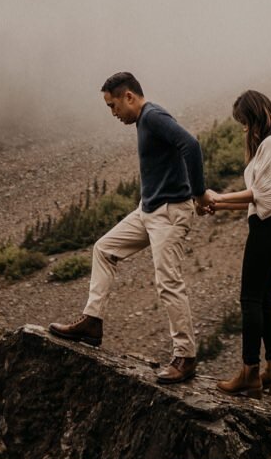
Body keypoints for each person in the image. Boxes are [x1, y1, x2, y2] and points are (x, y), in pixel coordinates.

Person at [49, 72, 206, 384]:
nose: (113, 112)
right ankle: (92, 322)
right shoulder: (144, 122)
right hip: (148, 209)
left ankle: (185, 357)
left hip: (170, 212)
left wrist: (198, 193)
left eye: (113, 105)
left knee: (168, 282)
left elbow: (191, 144)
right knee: (104, 249)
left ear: (129, 97)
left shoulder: (154, 116)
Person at [200, 90, 271, 398]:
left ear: (255, 116)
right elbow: (259, 200)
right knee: (264, 299)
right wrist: (221, 205)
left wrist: (218, 196)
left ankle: (249, 372)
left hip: (268, 229)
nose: (244, 129)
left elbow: (262, 196)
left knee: (250, 300)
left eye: (245, 122)